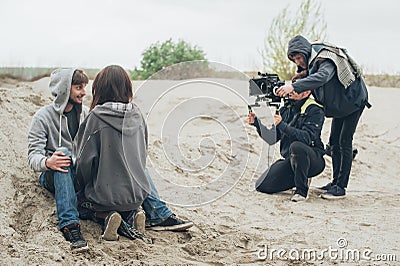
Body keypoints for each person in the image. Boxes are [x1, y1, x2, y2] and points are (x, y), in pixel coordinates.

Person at [276, 35, 371, 199]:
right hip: (340, 105)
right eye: (294, 60)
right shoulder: (311, 63)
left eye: (299, 58)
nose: (298, 62)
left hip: (354, 101)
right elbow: (309, 78)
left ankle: (341, 187)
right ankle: (334, 183)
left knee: (345, 141)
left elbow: (323, 77)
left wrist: (293, 86)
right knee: (334, 142)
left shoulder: (325, 59)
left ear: (305, 52)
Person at [74, 65, 151, 241]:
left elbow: (84, 162)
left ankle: (106, 216)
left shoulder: (96, 117)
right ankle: (133, 215)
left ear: (100, 89)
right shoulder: (138, 115)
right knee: (123, 200)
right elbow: (143, 153)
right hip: (137, 195)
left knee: (78, 202)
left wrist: (81, 184)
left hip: (105, 197)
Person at [28, 68, 89, 252]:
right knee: (62, 153)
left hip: (78, 173)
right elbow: (32, 156)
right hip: (52, 174)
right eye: (78, 87)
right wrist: (48, 162)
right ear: (64, 89)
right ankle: (70, 225)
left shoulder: (85, 114)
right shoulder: (42, 117)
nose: (84, 92)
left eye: (84, 87)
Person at [249, 89, 326, 202]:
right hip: (292, 160)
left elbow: (307, 137)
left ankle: (301, 192)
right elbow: (272, 138)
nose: (291, 91)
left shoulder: (315, 110)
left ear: (307, 92)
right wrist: (257, 123)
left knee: (297, 146)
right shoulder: (286, 109)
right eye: (291, 87)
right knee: (262, 186)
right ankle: (299, 177)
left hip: (313, 160)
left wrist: (282, 125)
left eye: (296, 89)